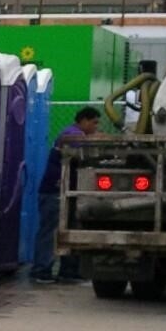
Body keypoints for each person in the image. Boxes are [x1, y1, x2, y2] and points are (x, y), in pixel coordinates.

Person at [31, 105, 103, 283]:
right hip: (54, 192)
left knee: (67, 229)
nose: (96, 127)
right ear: (84, 121)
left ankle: (68, 270)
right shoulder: (72, 134)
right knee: (51, 232)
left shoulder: (76, 134)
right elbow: (85, 154)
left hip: (64, 192)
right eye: (94, 123)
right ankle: (41, 269)